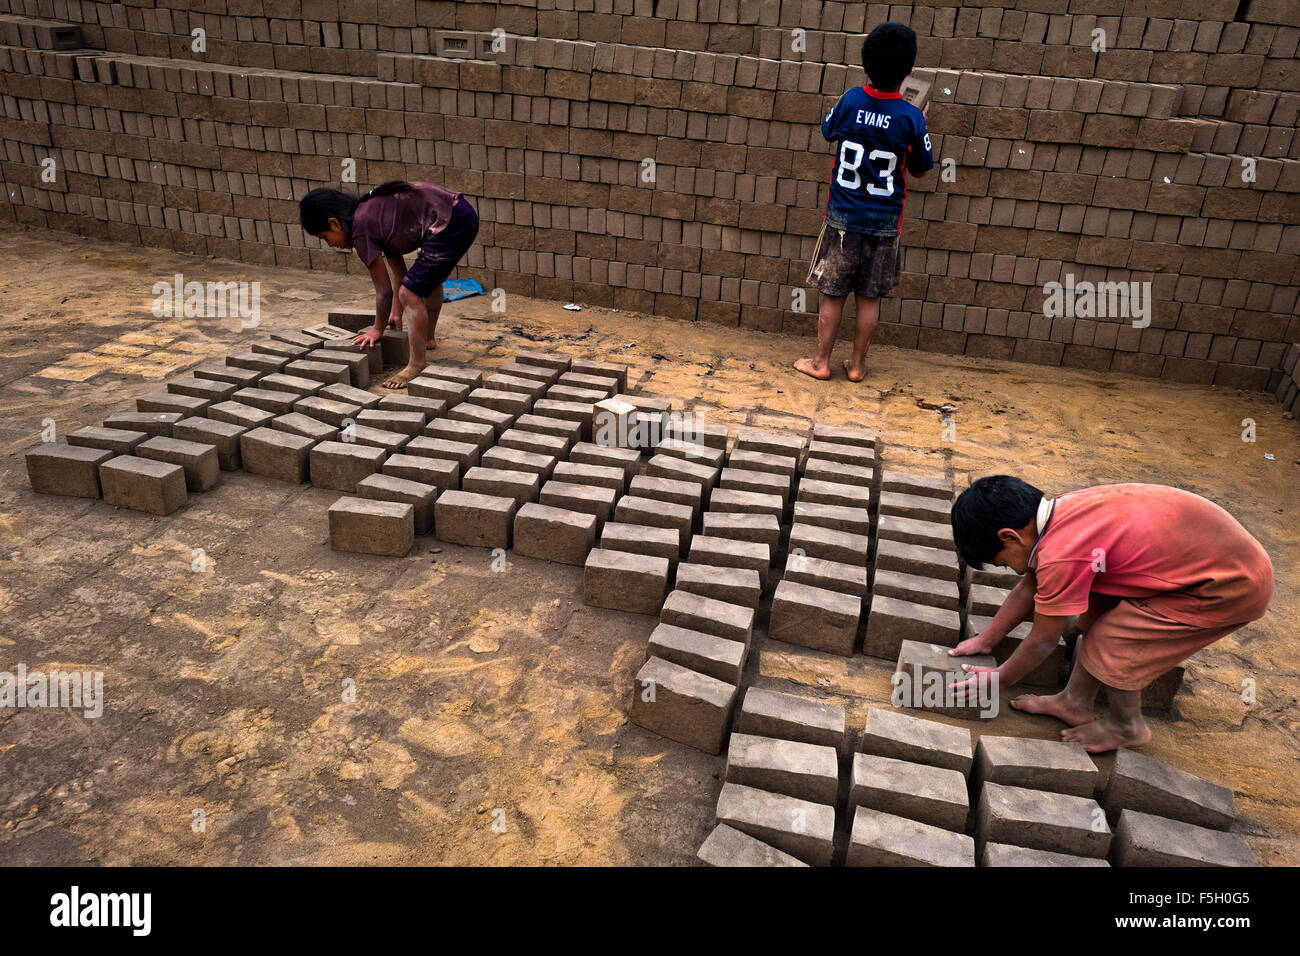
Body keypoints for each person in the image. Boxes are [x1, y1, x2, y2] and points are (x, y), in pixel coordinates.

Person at [947, 476, 1273, 752]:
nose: (1012, 571)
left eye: (1003, 562)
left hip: (1226, 586)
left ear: (1010, 536)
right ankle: (1073, 702)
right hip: (1207, 558)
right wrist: (986, 640)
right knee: (1096, 612)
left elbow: (1043, 641)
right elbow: (1030, 586)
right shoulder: (1056, 515)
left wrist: (999, 679)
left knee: (1112, 642)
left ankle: (1126, 726)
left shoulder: (1062, 554)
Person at [795, 21, 933, 383]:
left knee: (832, 294)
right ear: (907, 74)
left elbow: (828, 130)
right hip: (885, 225)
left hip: (842, 219)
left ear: (866, 65)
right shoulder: (911, 117)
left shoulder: (851, 100)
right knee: (869, 298)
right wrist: (920, 123)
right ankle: (856, 365)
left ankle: (820, 362)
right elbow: (920, 170)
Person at [298, 181, 478, 388]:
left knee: (410, 293)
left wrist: (377, 329)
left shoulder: (360, 230)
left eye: (325, 238)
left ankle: (417, 364)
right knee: (425, 282)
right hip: (460, 213)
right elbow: (399, 272)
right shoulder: (372, 213)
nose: (331, 244)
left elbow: (383, 290)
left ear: (335, 224)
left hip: (450, 221)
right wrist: (396, 313)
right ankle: (427, 339)